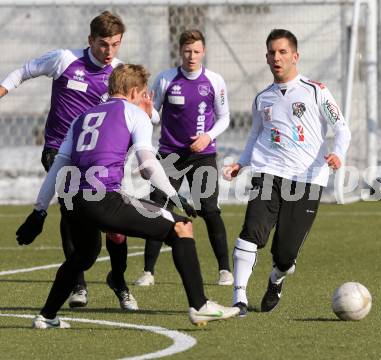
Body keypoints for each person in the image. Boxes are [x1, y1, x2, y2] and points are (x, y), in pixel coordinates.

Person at [15, 64, 240, 329]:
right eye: (144, 93)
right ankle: (200, 306)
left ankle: (47, 316)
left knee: (84, 255)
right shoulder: (133, 113)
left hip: (71, 200)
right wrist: (175, 195)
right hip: (101, 198)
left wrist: (39, 211)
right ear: (134, 91)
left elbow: (58, 167)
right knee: (182, 226)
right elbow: (148, 164)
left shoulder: (82, 117)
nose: (148, 98)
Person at [0, 11, 143, 309]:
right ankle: (78, 283)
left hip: (99, 159)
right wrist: (3, 89)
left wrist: (149, 114)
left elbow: (138, 109)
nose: (109, 52)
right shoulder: (64, 60)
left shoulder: (118, 73)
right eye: (104, 44)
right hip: (58, 151)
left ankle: (118, 279)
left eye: (116, 45)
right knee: (73, 214)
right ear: (90, 40)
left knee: (115, 228)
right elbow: (25, 70)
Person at [223, 29, 351, 316]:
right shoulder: (262, 99)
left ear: (295, 56)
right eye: (271, 52)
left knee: (285, 256)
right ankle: (239, 298)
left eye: (282, 52)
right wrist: (241, 163)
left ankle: (276, 279)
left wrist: (337, 154)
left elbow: (342, 128)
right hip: (268, 173)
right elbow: (255, 134)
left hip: (307, 180)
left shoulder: (316, 90)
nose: (276, 57)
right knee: (251, 234)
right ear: (267, 57)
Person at [134, 29, 233, 287]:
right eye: (187, 51)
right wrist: (147, 111)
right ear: (180, 51)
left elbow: (225, 118)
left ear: (204, 52)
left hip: (203, 155)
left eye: (197, 51)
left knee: (209, 209)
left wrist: (207, 137)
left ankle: (225, 270)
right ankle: (148, 272)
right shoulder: (166, 79)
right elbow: (153, 115)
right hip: (169, 156)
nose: (192, 56)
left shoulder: (215, 81)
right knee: (158, 207)